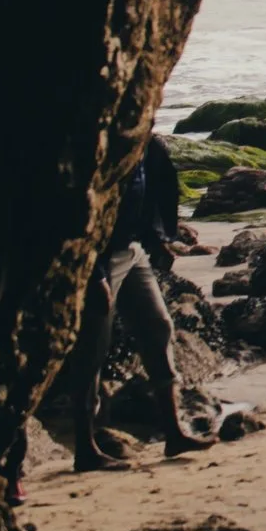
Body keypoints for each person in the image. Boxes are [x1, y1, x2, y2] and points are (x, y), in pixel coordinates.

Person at [70, 136, 213, 469]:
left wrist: (160, 238)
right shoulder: (99, 149)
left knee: (159, 326)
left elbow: (157, 191)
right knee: (91, 348)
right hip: (99, 260)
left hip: (134, 252)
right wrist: (94, 275)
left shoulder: (146, 146)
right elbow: (81, 213)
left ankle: (174, 433)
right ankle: (85, 448)